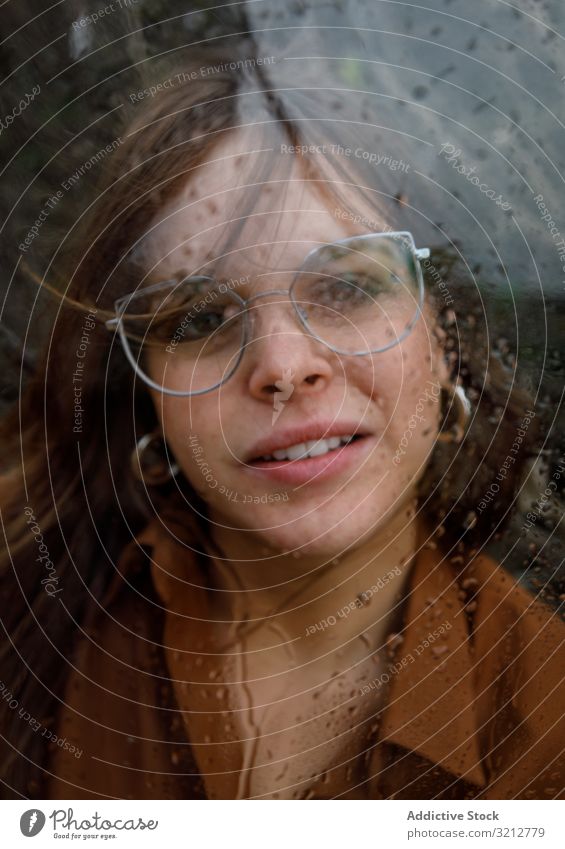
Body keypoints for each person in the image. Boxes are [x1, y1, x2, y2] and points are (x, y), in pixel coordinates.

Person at [1, 48, 563, 800]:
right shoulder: (24, 634)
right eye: (199, 316)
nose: (282, 365)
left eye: (347, 287)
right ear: (148, 391)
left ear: (442, 336)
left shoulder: (546, 717)